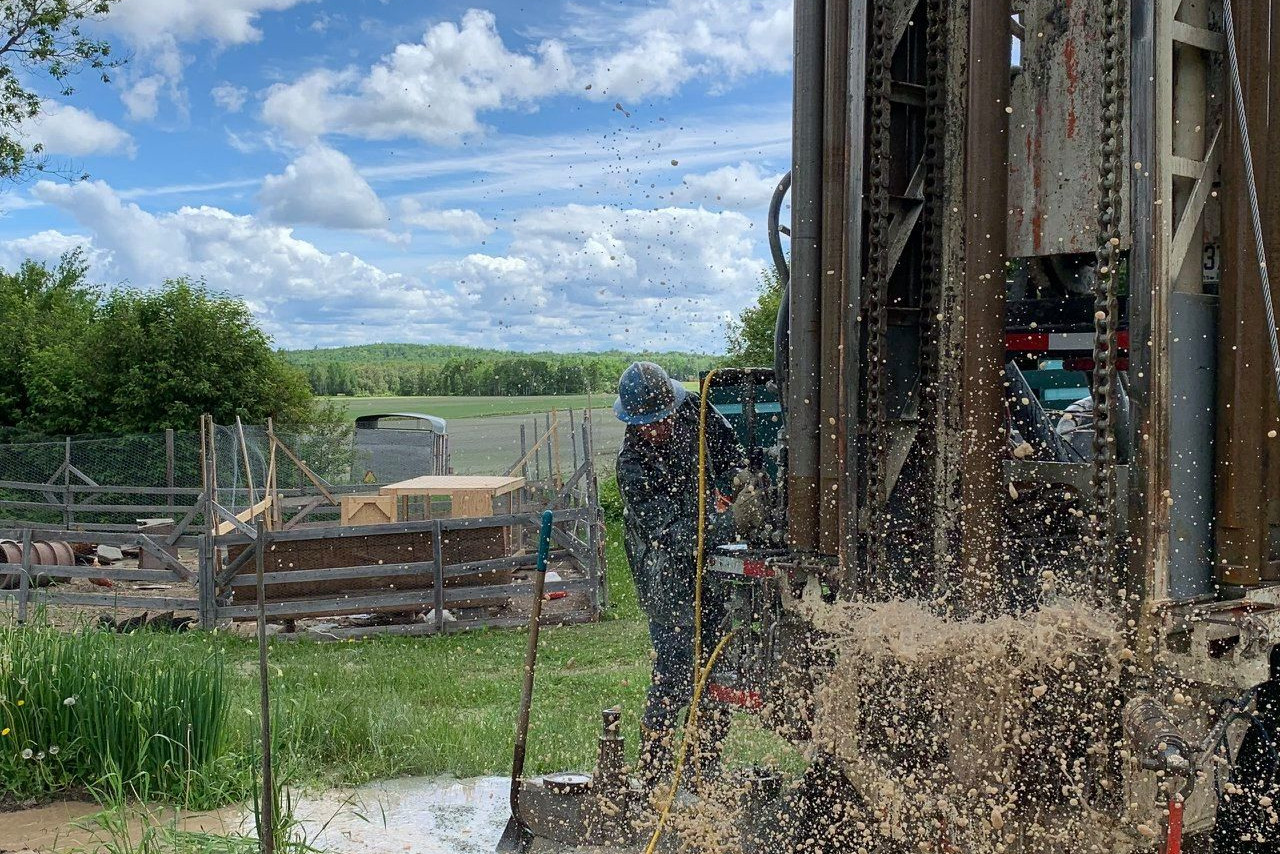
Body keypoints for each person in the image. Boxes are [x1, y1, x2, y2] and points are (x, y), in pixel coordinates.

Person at [613, 361, 762, 792]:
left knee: (716, 671)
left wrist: (739, 483)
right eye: (647, 425)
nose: (656, 430)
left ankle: (704, 769)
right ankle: (655, 773)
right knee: (675, 674)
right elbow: (675, 537)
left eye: (661, 420)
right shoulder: (632, 467)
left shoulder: (694, 408)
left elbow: (732, 452)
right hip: (664, 571)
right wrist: (729, 522)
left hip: (709, 560)